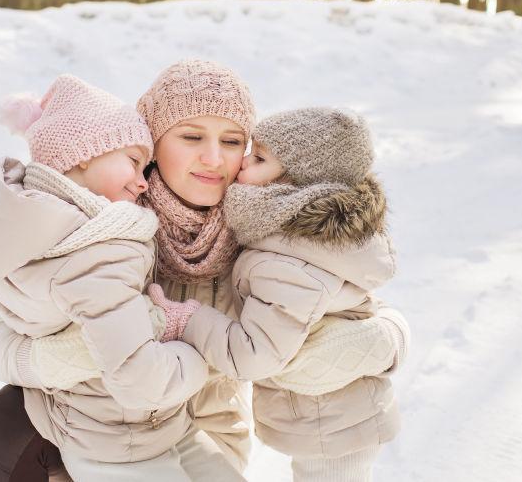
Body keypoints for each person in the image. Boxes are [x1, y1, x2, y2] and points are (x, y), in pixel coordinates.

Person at [0, 60, 410, 480]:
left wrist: (377, 341)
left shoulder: (263, 230)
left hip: (207, 435)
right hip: (104, 433)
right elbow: (1, 343)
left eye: (232, 142)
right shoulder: (109, 221)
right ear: (153, 144)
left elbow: (362, 306)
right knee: (0, 432)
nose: (214, 159)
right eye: (191, 137)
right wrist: (81, 354)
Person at [0, 73, 234, 481]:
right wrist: (199, 356)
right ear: (84, 155)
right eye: (134, 162)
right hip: (116, 438)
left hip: (132, 427)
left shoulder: (41, 223)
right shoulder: (100, 243)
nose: (142, 181)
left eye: (231, 141)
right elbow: (137, 375)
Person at [148, 107, 410, 481]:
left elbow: (255, 354)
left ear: (292, 182)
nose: (239, 166)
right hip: (330, 414)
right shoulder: (303, 242)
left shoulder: (286, 258)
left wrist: (189, 319)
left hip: (332, 421)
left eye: (257, 159)